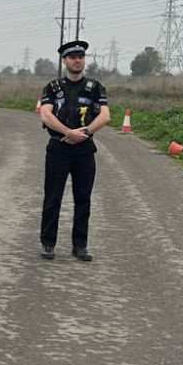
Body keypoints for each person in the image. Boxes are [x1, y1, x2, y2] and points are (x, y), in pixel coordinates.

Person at [38, 40, 110, 261]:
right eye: (72, 57)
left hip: (84, 149)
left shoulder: (95, 87)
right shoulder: (53, 87)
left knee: (83, 199)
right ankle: (48, 243)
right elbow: (46, 114)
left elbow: (105, 116)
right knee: (53, 197)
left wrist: (85, 132)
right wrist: (67, 132)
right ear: (64, 60)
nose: (77, 60)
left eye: (80, 56)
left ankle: (80, 246)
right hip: (58, 148)